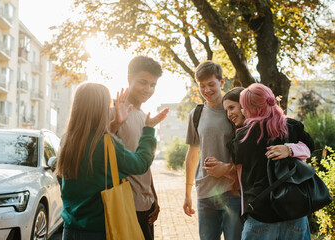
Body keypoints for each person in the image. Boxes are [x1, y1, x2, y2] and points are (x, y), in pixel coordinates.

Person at [57, 82, 166, 240]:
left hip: (70, 230)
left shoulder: (67, 141)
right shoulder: (106, 144)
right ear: (101, 110)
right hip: (101, 231)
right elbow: (141, 164)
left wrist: (115, 124)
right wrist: (148, 129)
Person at [230, 83, 314, 240]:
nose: (242, 111)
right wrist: (290, 149)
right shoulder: (291, 126)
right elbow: (310, 147)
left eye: (243, 107)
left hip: (261, 215)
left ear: (251, 109)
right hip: (294, 213)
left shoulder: (244, 137)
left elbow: (236, 161)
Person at [110, 56, 169, 240]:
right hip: (124, 205)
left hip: (146, 206)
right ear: (129, 79)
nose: (148, 89)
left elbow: (146, 161)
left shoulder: (145, 118)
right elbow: (104, 152)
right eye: (143, 82)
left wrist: (154, 198)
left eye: (153, 85)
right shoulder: (114, 111)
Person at [183, 60, 242, 240]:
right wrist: (187, 194)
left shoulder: (233, 111)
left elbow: (248, 151)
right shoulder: (196, 114)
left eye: (211, 84)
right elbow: (192, 155)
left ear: (221, 83)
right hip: (204, 194)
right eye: (202, 86)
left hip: (232, 192)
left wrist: (227, 167)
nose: (207, 90)